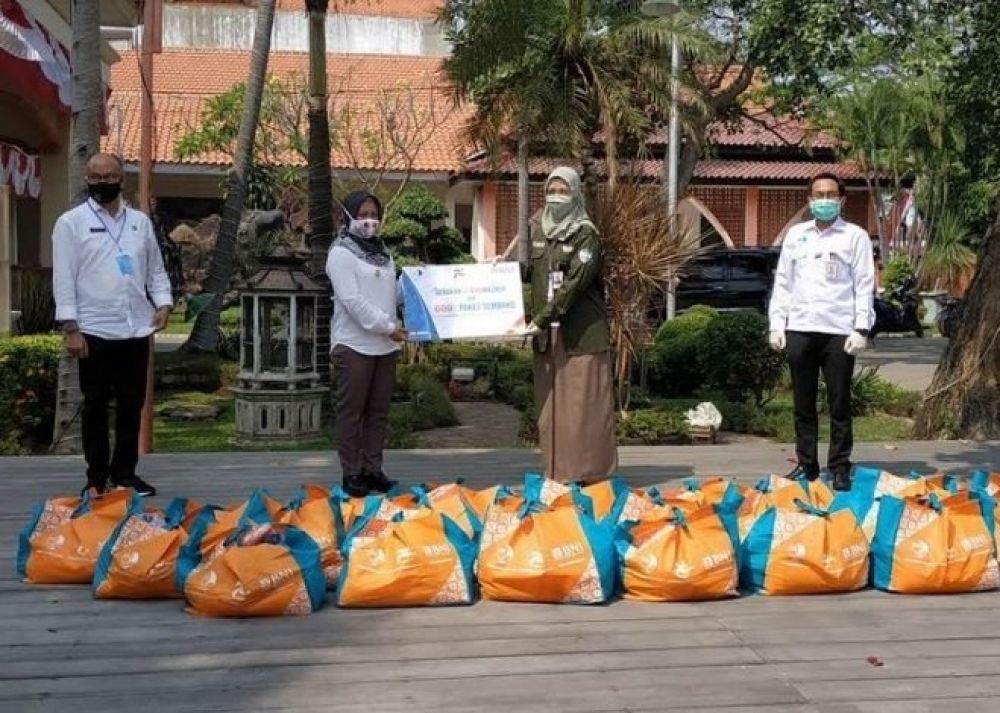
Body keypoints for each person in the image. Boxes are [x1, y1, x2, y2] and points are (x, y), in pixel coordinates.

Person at [52, 153, 173, 497]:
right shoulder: (70, 224)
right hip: (93, 329)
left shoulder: (139, 222)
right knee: (95, 406)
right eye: (95, 176)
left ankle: (125, 474)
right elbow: (64, 278)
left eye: (108, 176)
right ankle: (96, 477)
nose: (101, 182)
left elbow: (155, 269)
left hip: (135, 327)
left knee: (131, 404)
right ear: (87, 179)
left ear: (122, 179)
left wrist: (163, 303)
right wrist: (71, 327)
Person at [768, 172, 876, 491]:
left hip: (839, 331)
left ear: (842, 200)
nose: (824, 200)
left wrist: (861, 327)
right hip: (800, 327)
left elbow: (865, 283)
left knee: (839, 402)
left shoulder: (854, 236)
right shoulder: (796, 235)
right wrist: (777, 323)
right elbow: (783, 282)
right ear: (809, 200)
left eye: (831, 194)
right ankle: (807, 464)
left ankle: (839, 466)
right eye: (819, 194)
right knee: (803, 403)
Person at [522, 167, 617, 482]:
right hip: (546, 336)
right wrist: (498, 274)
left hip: (580, 334)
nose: (557, 197)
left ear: (576, 193)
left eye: (564, 191)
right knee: (551, 407)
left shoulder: (586, 233)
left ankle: (589, 474)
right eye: (552, 190)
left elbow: (574, 284)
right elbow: (530, 272)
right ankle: (556, 471)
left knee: (581, 406)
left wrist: (541, 318)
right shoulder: (538, 227)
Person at [327, 190, 407, 497]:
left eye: (373, 214)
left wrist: (421, 283)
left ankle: (373, 469)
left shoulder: (384, 253)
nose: (369, 220)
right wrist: (388, 327)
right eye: (362, 215)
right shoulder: (341, 254)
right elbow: (352, 301)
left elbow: (392, 295)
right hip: (355, 345)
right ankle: (352, 472)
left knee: (378, 411)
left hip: (385, 347)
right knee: (352, 411)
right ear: (348, 217)